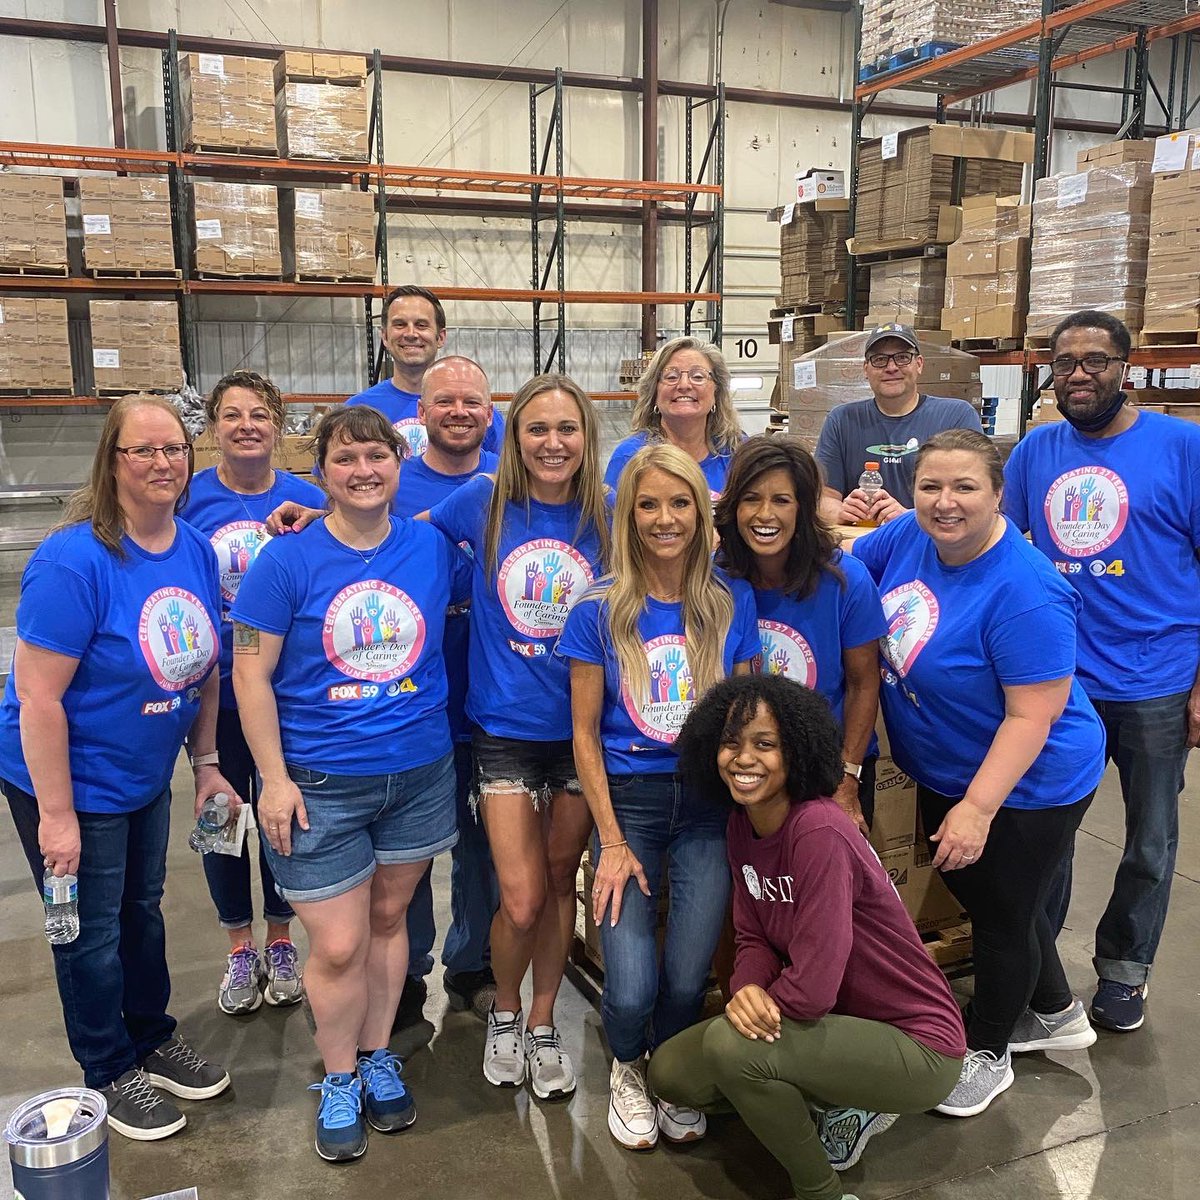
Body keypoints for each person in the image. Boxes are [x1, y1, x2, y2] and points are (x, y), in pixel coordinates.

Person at [231, 405, 469, 1163]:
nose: (364, 470)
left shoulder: (431, 546)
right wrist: (270, 778)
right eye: (346, 458)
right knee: (336, 944)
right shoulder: (285, 560)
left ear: (401, 463)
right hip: (317, 782)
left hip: (419, 772)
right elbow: (248, 668)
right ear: (322, 471)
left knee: (392, 920)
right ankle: (337, 1077)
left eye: (377, 456)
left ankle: (375, 1056)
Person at [852, 428, 1106, 1118]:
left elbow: (1033, 717)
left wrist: (979, 808)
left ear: (998, 494)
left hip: (1028, 782)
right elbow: (849, 557)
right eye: (931, 485)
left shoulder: (1026, 591)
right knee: (995, 902)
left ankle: (988, 1053)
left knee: (1000, 918)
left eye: (966, 487)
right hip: (944, 766)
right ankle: (1053, 1009)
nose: (945, 502)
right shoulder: (908, 538)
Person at [0, 394, 233, 1141]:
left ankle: (152, 1036)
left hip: (140, 773)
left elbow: (207, 669)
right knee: (88, 932)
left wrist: (205, 761)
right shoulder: (75, 560)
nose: (164, 462)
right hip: (67, 778)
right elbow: (38, 698)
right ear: (113, 461)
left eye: (175, 449)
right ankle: (107, 1068)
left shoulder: (193, 548)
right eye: (145, 450)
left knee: (141, 911)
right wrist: (57, 815)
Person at [649, 675, 966, 1200]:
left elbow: (814, 985)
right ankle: (828, 1093)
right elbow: (752, 937)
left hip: (917, 1043)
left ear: (796, 751)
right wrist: (747, 988)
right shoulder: (741, 825)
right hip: (831, 1023)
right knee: (670, 1073)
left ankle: (821, 1189)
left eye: (764, 744)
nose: (743, 758)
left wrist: (750, 1015)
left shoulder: (817, 830)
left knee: (733, 1050)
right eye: (731, 742)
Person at [1004, 309, 1200, 1034]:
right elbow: (1005, 552)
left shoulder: (1183, 448)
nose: (1079, 374)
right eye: (1064, 363)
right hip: (1061, 683)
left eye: (1095, 360)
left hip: (1157, 677)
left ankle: (1124, 971)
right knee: (1045, 834)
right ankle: (1040, 973)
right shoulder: (1034, 453)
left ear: (1128, 366)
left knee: (1150, 840)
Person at [560, 443, 760, 1152]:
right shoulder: (597, 609)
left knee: (685, 978)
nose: (664, 518)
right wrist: (609, 840)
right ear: (628, 514)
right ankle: (626, 1067)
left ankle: (670, 1073)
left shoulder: (730, 603)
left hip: (709, 810)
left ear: (701, 514)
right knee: (633, 985)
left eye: (680, 503)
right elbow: (584, 736)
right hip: (632, 807)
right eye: (649, 504)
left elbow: (746, 718)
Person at [425, 373, 610, 1101]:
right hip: (503, 728)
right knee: (522, 895)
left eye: (567, 429)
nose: (553, 443)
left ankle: (541, 1021)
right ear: (516, 437)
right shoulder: (483, 503)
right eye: (538, 429)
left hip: (583, 731)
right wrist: (312, 513)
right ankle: (503, 1007)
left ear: (586, 438)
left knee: (562, 879)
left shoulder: (610, 512)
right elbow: (399, 533)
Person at [179, 369, 324, 1016]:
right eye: (232, 415)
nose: (246, 426)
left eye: (258, 415)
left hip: (284, 693)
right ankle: (239, 946)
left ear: (277, 426)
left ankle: (280, 936)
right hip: (214, 696)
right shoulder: (190, 499)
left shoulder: (305, 497)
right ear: (214, 429)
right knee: (221, 820)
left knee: (281, 816)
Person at [393, 357, 500, 1027]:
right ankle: (404, 971)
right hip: (411, 700)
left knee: (484, 846)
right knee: (404, 851)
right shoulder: (390, 481)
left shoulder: (512, 482)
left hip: (493, 694)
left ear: (490, 414)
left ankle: (473, 964)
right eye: (445, 402)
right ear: (422, 415)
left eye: (471, 402)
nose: (458, 411)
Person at [714, 435, 886, 832]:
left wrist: (846, 780)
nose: (764, 515)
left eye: (782, 500)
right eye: (751, 498)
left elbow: (864, 684)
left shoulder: (846, 580)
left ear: (803, 508)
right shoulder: (714, 580)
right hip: (744, 767)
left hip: (829, 765)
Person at [816, 323, 982, 527]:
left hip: (931, 544)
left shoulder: (955, 417)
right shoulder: (842, 420)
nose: (891, 367)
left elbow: (976, 497)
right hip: (863, 543)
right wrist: (841, 511)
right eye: (879, 360)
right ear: (866, 369)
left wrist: (908, 518)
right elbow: (823, 500)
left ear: (919, 364)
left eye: (903, 357)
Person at [346, 284, 504, 459]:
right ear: (384, 336)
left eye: (421, 325)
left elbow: (508, 473)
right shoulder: (359, 409)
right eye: (400, 324)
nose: (411, 334)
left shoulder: (478, 412)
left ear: (441, 337)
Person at [604, 336, 744, 500]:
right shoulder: (628, 457)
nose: (684, 385)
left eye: (698, 376)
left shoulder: (739, 453)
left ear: (717, 391)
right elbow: (614, 523)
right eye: (671, 377)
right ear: (654, 393)